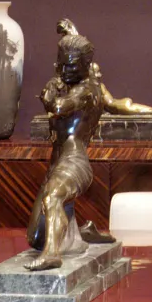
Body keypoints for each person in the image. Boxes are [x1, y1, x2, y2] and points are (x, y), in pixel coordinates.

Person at [24, 24, 115, 271]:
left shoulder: (87, 90)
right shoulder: (68, 79)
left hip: (74, 162)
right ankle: (82, 234)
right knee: (35, 237)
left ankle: (52, 255)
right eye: (61, 64)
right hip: (56, 163)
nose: (64, 70)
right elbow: (71, 59)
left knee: (53, 196)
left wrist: (49, 94)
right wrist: (70, 35)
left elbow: (59, 107)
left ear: (87, 66)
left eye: (71, 66)